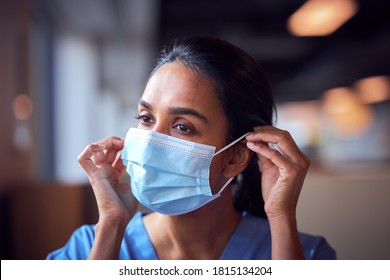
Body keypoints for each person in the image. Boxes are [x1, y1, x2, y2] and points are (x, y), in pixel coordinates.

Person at [47, 36, 336, 260]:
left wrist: (281, 218)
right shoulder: (87, 249)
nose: (150, 143)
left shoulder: (304, 255)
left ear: (235, 156)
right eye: (146, 118)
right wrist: (111, 225)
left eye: (182, 126)